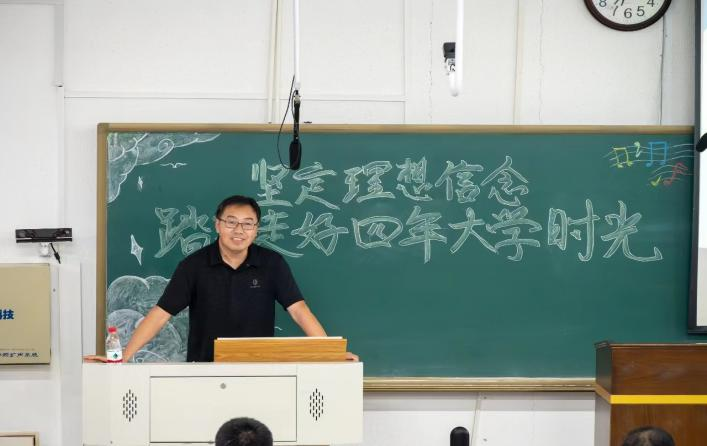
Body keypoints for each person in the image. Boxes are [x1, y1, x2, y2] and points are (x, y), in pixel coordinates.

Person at [87, 194, 357, 362]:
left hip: (260, 369)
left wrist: (330, 354)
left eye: (247, 224)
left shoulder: (271, 264)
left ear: (256, 229)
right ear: (218, 225)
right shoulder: (193, 265)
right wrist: (123, 357)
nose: (239, 230)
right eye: (231, 222)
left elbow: (299, 310)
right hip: (205, 370)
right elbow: (161, 314)